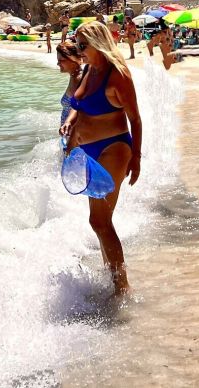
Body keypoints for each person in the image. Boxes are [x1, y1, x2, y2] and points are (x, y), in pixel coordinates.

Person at [59, 21, 142, 296]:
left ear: (98, 43)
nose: (79, 50)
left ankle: (122, 288)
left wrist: (137, 158)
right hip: (90, 152)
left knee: (100, 221)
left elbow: (135, 119)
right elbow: (78, 105)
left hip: (114, 149)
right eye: (77, 44)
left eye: (83, 45)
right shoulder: (89, 71)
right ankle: (113, 278)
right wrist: (70, 122)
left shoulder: (117, 75)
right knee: (99, 220)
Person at [56, 41, 87, 135]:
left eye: (61, 61)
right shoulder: (74, 76)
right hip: (68, 133)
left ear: (73, 60)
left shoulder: (80, 79)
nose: (58, 64)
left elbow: (81, 109)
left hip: (75, 135)